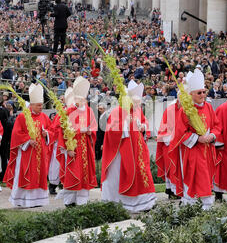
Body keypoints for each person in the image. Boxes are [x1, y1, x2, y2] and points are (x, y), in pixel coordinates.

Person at [168, 70, 221, 210]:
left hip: (207, 149)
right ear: (191, 94)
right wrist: (198, 139)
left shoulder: (209, 107)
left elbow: (216, 125)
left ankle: (206, 206)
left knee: (206, 176)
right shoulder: (185, 111)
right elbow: (180, 133)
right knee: (196, 176)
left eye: (204, 92)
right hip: (192, 151)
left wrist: (212, 136)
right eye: (199, 93)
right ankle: (193, 206)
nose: (203, 95)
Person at [101, 80, 157, 212]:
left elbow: (144, 122)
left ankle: (145, 203)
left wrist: (142, 126)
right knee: (124, 176)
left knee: (142, 174)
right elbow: (111, 131)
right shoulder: (117, 111)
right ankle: (124, 204)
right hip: (123, 151)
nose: (138, 103)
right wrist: (125, 123)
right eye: (136, 99)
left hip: (138, 148)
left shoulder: (137, 110)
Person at [3, 84, 53, 208]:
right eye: (38, 105)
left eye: (41, 105)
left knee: (39, 175)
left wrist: (46, 133)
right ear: (31, 105)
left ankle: (39, 200)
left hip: (40, 152)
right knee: (26, 174)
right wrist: (27, 140)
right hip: (27, 152)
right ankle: (24, 200)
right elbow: (16, 133)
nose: (41, 107)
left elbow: (52, 130)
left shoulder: (44, 117)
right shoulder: (22, 116)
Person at [56, 77, 98, 207]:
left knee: (84, 174)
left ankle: (82, 201)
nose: (81, 101)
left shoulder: (90, 111)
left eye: (83, 99)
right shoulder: (68, 112)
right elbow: (62, 130)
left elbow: (94, 127)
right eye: (78, 99)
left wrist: (91, 132)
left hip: (85, 146)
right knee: (73, 173)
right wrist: (67, 148)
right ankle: (69, 201)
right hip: (73, 147)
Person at [48, 87, 74, 195]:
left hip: (72, 142)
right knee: (57, 163)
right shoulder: (62, 112)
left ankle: (67, 184)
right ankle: (53, 185)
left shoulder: (77, 111)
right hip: (60, 142)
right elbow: (54, 127)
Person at [156, 98, 182, 199]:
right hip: (170, 141)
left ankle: (177, 190)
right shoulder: (171, 110)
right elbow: (166, 127)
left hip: (181, 142)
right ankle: (172, 190)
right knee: (171, 166)